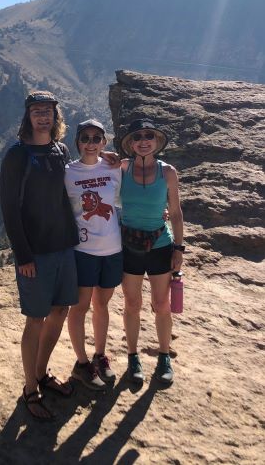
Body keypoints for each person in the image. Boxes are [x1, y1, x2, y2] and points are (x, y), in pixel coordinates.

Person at [0, 91, 79, 420]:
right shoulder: (17, 155)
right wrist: (23, 255)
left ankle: (42, 373)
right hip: (36, 253)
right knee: (36, 319)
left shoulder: (60, 150)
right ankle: (30, 388)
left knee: (60, 310)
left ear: (55, 116)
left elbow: (70, 189)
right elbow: (9, 208)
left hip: (63, 247)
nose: (43, 117)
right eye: (37, 112)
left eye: (48, 111)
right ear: (28, 117)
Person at [119, 118, 184, 385]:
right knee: (132, 304)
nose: (143, 141)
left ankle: (164, 355)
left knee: (161, 305)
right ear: (131, 144)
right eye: (138, 137)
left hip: (160, 245)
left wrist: (179, 248)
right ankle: (133, 357)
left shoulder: (167, 172)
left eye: (149, 136)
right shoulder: (122, 168)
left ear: (156, 142)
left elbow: (176, 213)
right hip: (129, 246)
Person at [65, 119, 122, 390]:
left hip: (112, 249)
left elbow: (136, 189)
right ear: (77, 142)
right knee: (79, 307)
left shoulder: (115, 168)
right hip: (84, 251)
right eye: (85, 138)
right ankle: (82, 363)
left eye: (96, 138)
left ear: (104, 142)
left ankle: (100, 356)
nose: (90, 143)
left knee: (102, 305)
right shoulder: (68, 173)